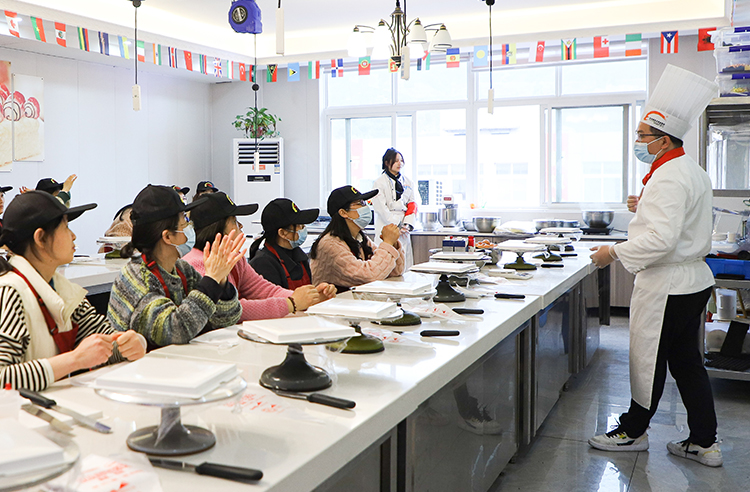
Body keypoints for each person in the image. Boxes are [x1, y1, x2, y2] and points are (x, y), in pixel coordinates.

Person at [588, 65, 722, 467]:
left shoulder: (667, 178)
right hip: (693, 281)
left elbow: (661, 239)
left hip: (668, 285)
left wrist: (612, 253)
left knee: (647, 359)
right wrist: (642, 205)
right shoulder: (689, 170)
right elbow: (679, 220)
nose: (638, 142)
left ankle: (632, 432)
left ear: (663, 140)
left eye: (642, 136)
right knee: (687, 363)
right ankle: (704, 442)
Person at [0, 191, 146, 390]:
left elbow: (106, 341)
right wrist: (74, 359)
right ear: (40, 238)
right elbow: (2, 378)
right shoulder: (10, 292)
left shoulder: (61, 289)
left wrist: (133, 343)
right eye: (66, 227)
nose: (73, 235)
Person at [107, 185, 244, 350]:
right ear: (167, 236)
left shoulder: (182, 270)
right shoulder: (136, 279)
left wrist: (221, 282)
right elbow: (175, 331)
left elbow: (226, 319)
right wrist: (211, 281)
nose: (191, 227)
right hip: (138, 365)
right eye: (185, 221)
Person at [185, 192, 334, 321]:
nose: (240, 226)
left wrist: (311, 296)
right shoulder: (196, 264)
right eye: (235, 221)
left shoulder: (234, 258)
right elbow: (231, 310)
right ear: (217, 229)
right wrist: (292, 303)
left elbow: (264, 290)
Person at [310, 186, 405, 291]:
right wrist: (387, 243)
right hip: (331, 300)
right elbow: (368, 276)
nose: (365, 207)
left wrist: (393, 244)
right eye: (360, 203)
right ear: (343, 213)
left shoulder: (359, 238)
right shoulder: (331, 244)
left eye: (364, 203)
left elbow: (395, 271)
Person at [249, 198, 317, 289]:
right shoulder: (263, 264)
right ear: (282, 233)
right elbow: (275, 297)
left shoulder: (299, 255)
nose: (303, 229)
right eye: (299, 226)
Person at [372, 148, 417, 268]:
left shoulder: (408, 182)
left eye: (401, 160)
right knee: (384, 262)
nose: (399, 163)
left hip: (404, 226)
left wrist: (407, 224)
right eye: (396, 161)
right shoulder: (379, 183)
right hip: (386, 224)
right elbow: (381, 208)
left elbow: (412, 204)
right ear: (387, 163)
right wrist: (397, 225)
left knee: (404, 263)